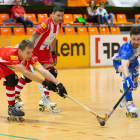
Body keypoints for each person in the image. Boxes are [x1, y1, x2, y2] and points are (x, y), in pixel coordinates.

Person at [0, 40, 67, 122]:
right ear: (20, 52)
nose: (30, 55)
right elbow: (26, 73)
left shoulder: (30, 56)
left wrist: (58, 84)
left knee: (12, 78)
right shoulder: (13, 54)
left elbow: (43, 71)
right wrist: (45, 83)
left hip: (2, 65)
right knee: (12, 77)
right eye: (28, 52)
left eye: (31, 52)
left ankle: (11, 107)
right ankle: (12, 107)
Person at [15, 5, 64, 111]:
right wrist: (30, 53)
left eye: (62, 16)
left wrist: (54, 52)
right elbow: (33, 36)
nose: (60, 18)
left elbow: (54, 38)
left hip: (46, 52)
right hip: (36, 51)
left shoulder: (60, 24)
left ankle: (45, 98)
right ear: (53, 14)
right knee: (28, 76)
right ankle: (16, 94)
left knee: (52, 72)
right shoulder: (45, 24)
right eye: (58, 15)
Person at [111, 27, 140, 118]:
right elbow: (124, 65)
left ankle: (124, 94)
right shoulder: (126, 49)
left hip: (134, 61)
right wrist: (127, 77)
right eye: (134, 39)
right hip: (120, 62)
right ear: (130, 37)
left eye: (138, 39)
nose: (136, 42)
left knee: (135, 83)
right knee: (128, 80)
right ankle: (130, 104)